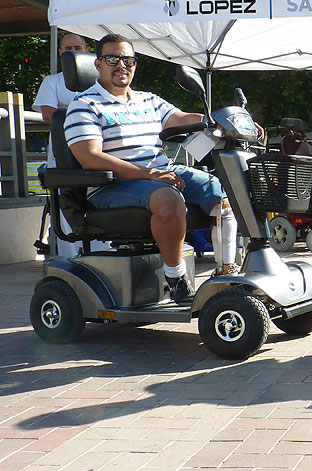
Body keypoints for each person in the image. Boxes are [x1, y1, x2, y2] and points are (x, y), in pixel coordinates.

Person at [63, 34, 241, 304]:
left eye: (128, 59)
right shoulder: (84, 105)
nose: (122, 65)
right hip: (111, 185)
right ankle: (176, 278)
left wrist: (226, 120)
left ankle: (226, 272)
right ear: (98, 64)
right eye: (112, 58)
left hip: (159, 173)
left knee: (224, 193)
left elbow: (180, 118)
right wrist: (149, 174)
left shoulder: (148, 100)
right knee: (169, 199)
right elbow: (90, 158)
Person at [31, 33, 111, 258]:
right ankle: (69, 256)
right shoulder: (52, 81)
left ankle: (103, 253)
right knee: (65, 202)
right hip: (62, 153)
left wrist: (67, 107)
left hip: (100, 151)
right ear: (60, 53)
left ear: (87, 51)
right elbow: (48, 114)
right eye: (67, 48)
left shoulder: (104, 82)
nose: (72, 50)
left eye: (77, 46)